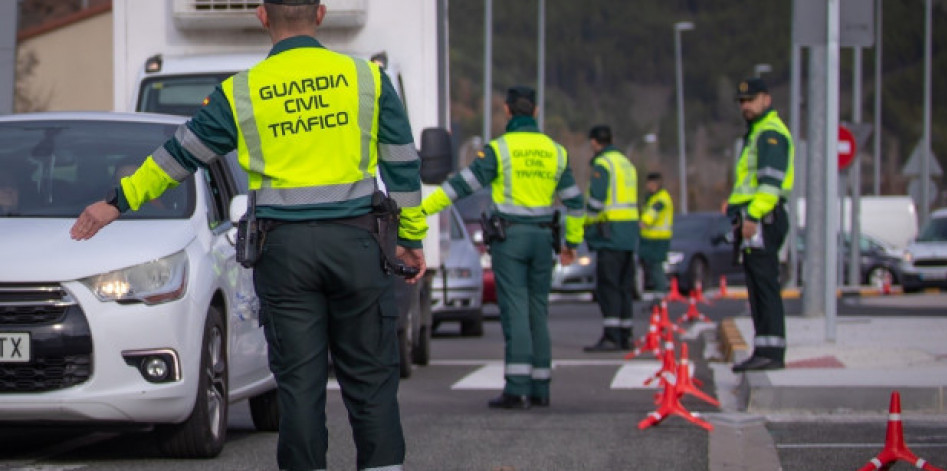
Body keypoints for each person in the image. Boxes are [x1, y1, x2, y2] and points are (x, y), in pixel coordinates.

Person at [70, 1, 427, 469]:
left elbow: (179, 156)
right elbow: (402, 165)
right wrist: (410, 239)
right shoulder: (368, 80)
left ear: (262, 16)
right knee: (371, 381)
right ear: (320, 14)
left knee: (299, 386)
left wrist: (117, 200)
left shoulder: (242, 93)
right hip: (356, 245)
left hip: (285, 254)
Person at [421, 86, 584, 409]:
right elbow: (575, 203)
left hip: (510, 239)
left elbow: (460, 187)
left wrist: (421, 209)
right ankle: (541, 387)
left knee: (515, 311)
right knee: (538, 310)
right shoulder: (557, 151)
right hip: (543, 240)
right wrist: (571, 243)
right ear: (536, 112)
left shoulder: (500, 150)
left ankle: (517, 387)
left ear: (507, 111)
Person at [726, 77, 794, 372]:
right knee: (757, 287)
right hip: (756, 217)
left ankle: (771, 352)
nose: (745, 106)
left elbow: (769, 185)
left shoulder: (769, 134)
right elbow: (749, 182)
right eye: (742, 101)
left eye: (750, 100)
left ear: (766, 99)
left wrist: (752, 217)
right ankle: (764, 348)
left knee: (764, 286)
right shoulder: (756, 133)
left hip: (763, 218)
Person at [582, 125, 640, 352]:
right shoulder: (626, 163)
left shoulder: (603, 164)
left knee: (608, 286)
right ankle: (626, 334)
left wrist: (587, 224)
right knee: (625, 286)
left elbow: (596, 201)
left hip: (609, 232)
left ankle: (611, 335)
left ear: (595, 142)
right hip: (628, 233)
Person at [638, 172, 673, 300]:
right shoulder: (652, 198)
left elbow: (653, 212)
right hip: (650, 238)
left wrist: (644, 222)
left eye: (651, 184)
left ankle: (660, 299)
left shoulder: (661, 198)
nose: (649, 186)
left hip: (658, 239)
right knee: (652, 269)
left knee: (657, 268)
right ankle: (657, 298)